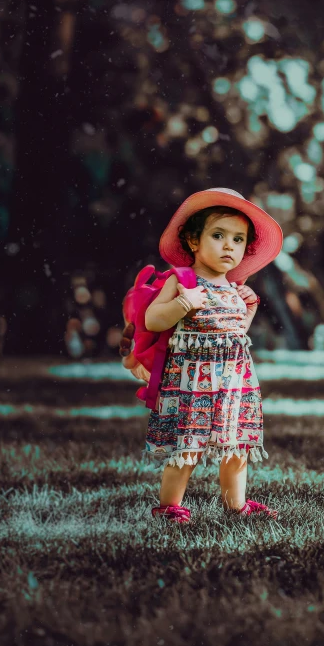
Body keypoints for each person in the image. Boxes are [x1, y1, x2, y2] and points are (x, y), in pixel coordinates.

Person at [121, 188, 283, 523]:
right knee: (188, 446)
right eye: (219, 235)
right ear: (194, 242)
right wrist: (183, 303)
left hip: (234, 379)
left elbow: (237, 333)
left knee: (236, 446)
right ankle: (170, 506)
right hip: (193, 380)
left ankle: (235, 505)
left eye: (238, 240)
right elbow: (153, 319)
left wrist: (248, 307)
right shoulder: (184, 281)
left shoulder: (236, 288)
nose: (229, 245)